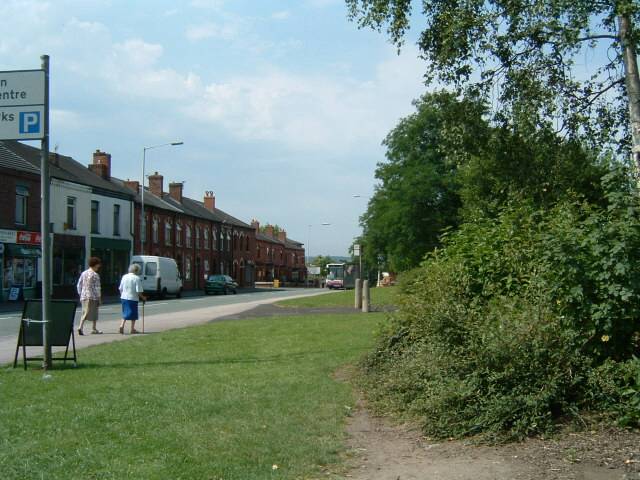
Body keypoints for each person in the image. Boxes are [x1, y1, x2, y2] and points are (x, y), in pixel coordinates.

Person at [77, 257, 102, 335]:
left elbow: (79, 284)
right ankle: (82, 327)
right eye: (98, 264)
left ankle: (92, 328)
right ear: (96, 265)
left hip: (84, 295)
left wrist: (80, 293)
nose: (99, 266)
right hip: (93, 296)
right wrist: (99, 298)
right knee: (92, 312)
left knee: (84, 311)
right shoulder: (95, 275)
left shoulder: (84, 273)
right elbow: (98, 288)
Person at [118, 264, 146, 334]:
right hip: (132, 298)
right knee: (133, 314)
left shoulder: (124, 276)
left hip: (124, 297)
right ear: (136, 271)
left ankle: (121, 325)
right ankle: (132, 329)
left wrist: (122, 295)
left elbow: (120, 288)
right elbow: (138, 291)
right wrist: (143, 298)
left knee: (125, 312)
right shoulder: (136, 278)